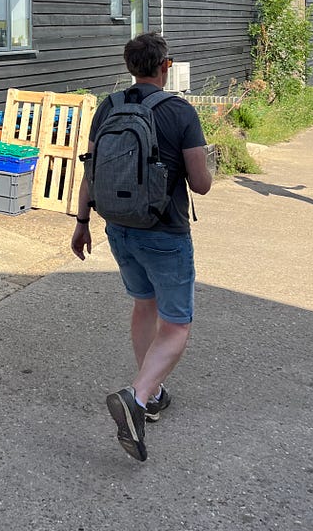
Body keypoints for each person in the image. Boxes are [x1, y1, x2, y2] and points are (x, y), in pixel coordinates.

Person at [71, 32, 213, 462]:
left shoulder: (108, 107)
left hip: (118, 228)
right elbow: (201, 185)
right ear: (165, 65)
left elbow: (90, 170)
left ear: (131, 65)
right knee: (177, 324)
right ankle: (138, 396)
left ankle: (151, 397)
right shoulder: (180, 111)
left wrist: (81, 223)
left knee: (143, 305)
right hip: (165, 233)